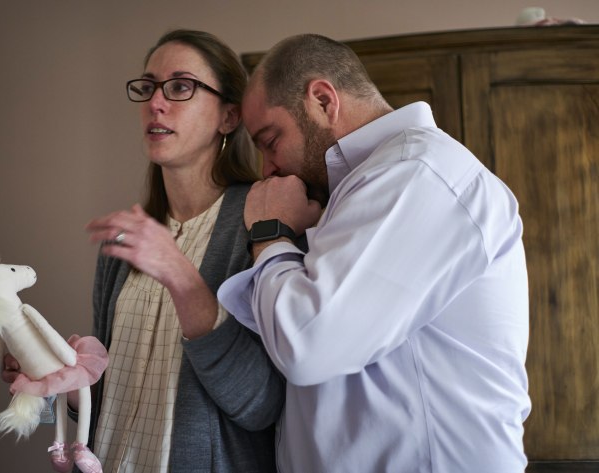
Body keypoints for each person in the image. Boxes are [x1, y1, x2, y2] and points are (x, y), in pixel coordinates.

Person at [217, 34, 531, 472]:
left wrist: (270, 233)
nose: (267, 168)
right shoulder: (359, 189)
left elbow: (308, 343)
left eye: (270, 141)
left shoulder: (418, 175)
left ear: (323, 101)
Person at [4, 29, 283, 473]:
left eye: (180, 87)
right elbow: (105, 395)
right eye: (148, 86)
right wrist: (55, 375)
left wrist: (178, 272)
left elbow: (260, 404)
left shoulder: (263, 224)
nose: (155, 102)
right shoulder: (126, 237)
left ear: (228, 117)